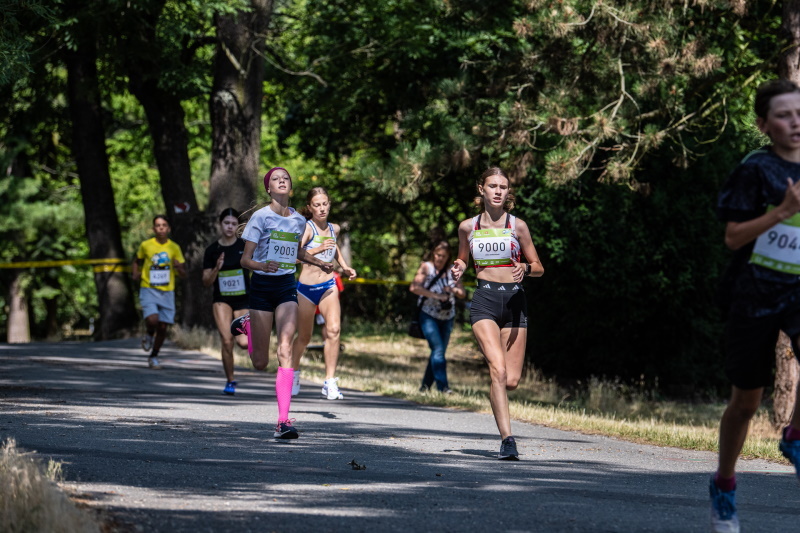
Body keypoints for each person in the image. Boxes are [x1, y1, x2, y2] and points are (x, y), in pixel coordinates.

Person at [711, 79, 800, 533]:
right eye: (784, 115)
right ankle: (724, 485)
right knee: (746, 401)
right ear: (765, 125)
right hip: (754, 292)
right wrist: (782, 211)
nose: (796, 121)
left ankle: (796, 436)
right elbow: (733, 238)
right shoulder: (755, 170)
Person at [230, 167, 333, 440]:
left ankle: (283, 421)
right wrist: (263, 265)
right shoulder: (259, 217)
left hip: (287, 286)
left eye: (285, 178)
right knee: (260, 362)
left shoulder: (299, 220)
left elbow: (297, 250)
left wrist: (319, 262)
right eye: (276, 179)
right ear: (268, 189)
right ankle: (249, 327)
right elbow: (245, 260)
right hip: (262, 287)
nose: (282, 181)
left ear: (290, 187)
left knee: (285, 348)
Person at [451, 167, 543, 460]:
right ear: (482, 189)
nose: (498, 191)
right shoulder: (468, 227)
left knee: (510, 380)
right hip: (485, 301)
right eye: (493, 185)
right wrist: (458, 266)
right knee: (498, 370)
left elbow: (539, 267)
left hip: (515, 303)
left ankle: (497, 393)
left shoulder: (518, 226)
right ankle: (507, 440)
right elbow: (463, 258)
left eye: (503, 186)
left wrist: (525, 268)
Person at [290, 187, 357, 400]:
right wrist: (316, 250)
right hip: (306, 290)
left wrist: (344, 266)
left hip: (328, 285)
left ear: (329, 205)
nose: (321, 208)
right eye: (317, 205)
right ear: (310, 208)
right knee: (304, 337)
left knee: (334, 330)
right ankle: (293, 372)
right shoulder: (307, 229)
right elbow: (294, 257)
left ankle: (330, 381)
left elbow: (334, 248)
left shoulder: (333, 228)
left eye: (325, 204)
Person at [202, 208, 250, 396]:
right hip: (221, 300)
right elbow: (206, 281)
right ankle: (230, 380)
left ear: (237, 226)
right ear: (220, 224)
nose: (230, 227)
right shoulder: (212, 250)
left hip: (243, 298)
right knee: (227, 340)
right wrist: (217, 268)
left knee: (244, 343)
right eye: (226, 223)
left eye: (233, 223)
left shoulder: (245, 246)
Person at [410, 240, 466, 394]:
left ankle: (425, 388)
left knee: (437, 352)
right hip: (428, 315)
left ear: (448, 257)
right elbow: (414, 287)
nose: (440, 258)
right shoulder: (426, 267)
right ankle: (443, 388)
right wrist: (436, 295)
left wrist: (453, 290)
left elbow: (463, 293)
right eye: (438, 255)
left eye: (444, 256)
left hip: (448, 317)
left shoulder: (452, 271)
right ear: (433, 253)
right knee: (438, 350)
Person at [132, 215, 186, 369]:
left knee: (163, 327)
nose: (161, 228)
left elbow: (184, 273)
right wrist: (135, 273)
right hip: (148, 287)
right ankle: (149, 333)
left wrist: (179, 267)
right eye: (158, 225)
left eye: (164, 225)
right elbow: (136, 261)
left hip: (167, 291)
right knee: (153, 320)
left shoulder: (174, 247)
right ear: (153, 228)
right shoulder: (146, 245)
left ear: (168, 228)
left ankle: (154, 356)